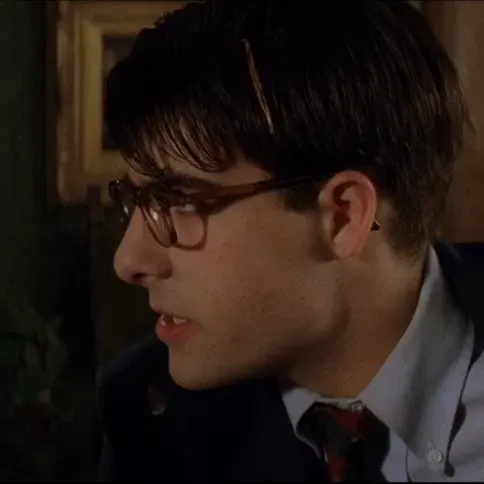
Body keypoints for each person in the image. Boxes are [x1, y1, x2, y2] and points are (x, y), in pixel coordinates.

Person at [97, 1, 484, 481]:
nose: (129, 260)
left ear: (343, 217)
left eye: (178, 199)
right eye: (136, 200)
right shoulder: (147, 411)